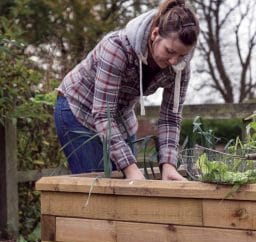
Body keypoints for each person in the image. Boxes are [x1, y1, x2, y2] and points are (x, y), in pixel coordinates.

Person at [54, 0, 199, 181]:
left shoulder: (180, 68)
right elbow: (102, 113)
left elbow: (171, 117)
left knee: (129, 191)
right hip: (79, 110)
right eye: (169, 51)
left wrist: (168, 165)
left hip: (120, 118)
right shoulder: (117, 49)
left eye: (181, 55)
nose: (174, 61)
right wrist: (130, 169)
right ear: (155, 34)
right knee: (98, 192)